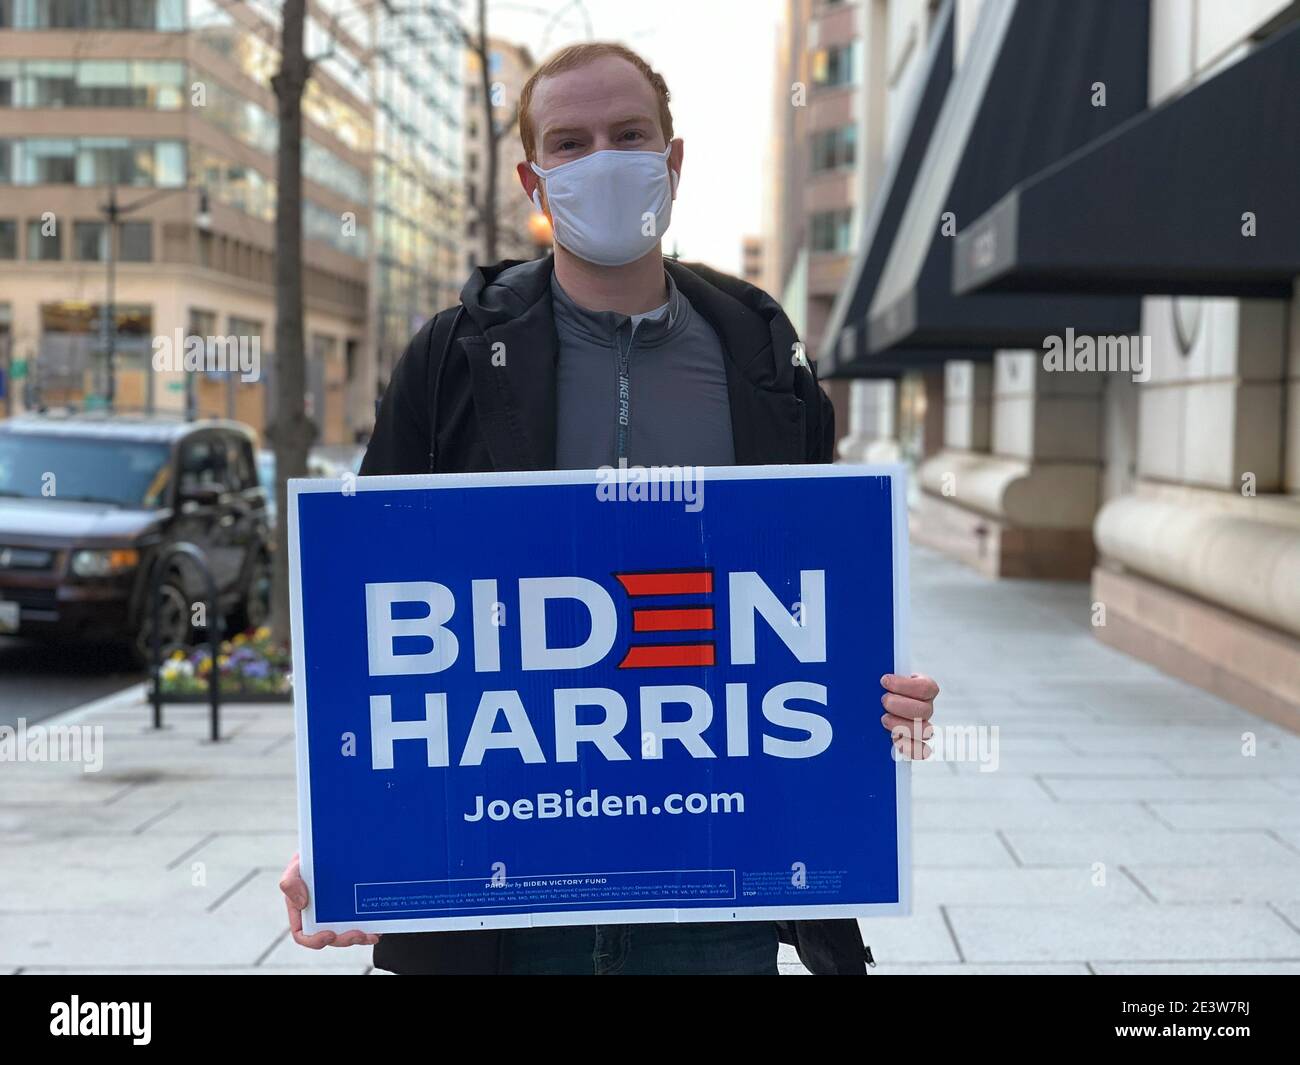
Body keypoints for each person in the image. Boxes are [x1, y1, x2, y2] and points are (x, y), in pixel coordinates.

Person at [280, 41, 939, 975]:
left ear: (672, 161)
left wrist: (881, 689)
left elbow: (813, 599)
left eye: (629, 135)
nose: (603, 159)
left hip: (717, 892)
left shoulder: (764, 359)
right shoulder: (454, 358)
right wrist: (343, 831)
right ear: (532, 178)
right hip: (500, 899)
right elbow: (371, 609)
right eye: (571, 142)